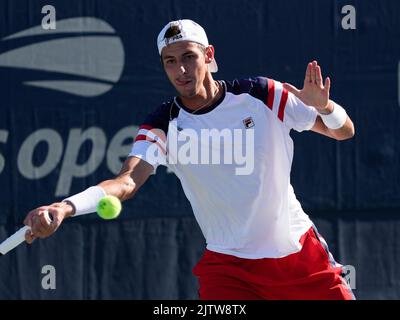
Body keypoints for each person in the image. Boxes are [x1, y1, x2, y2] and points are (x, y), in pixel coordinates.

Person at [23, 19, 355, 300]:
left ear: (208, 56)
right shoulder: (163, 124)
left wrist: (324, 106)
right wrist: (65, 207)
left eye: (188, 57)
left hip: (298, 256)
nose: (180, 69)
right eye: (170, 61)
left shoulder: (263, 95)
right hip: (229, 270)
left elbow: (343, 131)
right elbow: (125, 182)